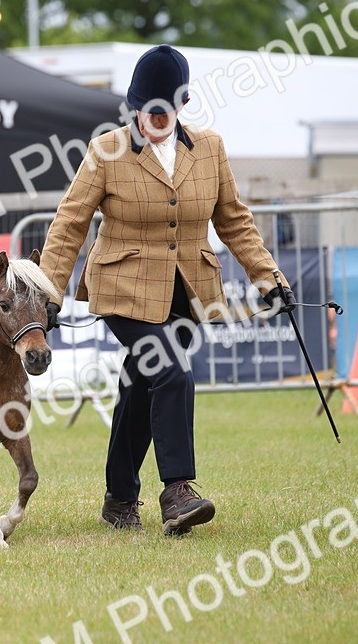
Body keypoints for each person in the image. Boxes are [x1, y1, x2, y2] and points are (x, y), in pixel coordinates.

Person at [39, 45, 295, 537]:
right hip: (123, 288)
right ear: (133, 106)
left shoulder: (210, 148)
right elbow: (69, 224)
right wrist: (50, 293)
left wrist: (269, 278)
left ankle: (118, 500)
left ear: (183, 105)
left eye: (164, 111)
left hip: (186, 292)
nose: (154, 120)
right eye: (146, 110)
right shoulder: (106, 150)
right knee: (172, 372)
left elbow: (234, 220)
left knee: (141, 387)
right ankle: (177, 490)